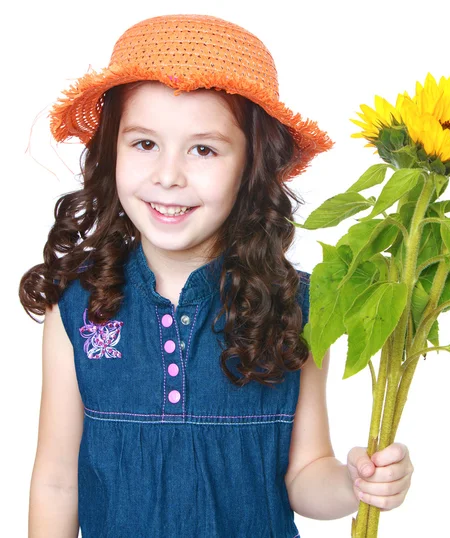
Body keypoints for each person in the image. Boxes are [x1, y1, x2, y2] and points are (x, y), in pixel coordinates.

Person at [21, 14, 414, 537]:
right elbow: (56, 481)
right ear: (110, 150)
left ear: (251, 166)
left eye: (203, 149)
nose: (168, 175)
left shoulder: (298, 306)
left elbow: (304, 475)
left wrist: (354, 483)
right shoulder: (77, 303)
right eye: (144, 144)